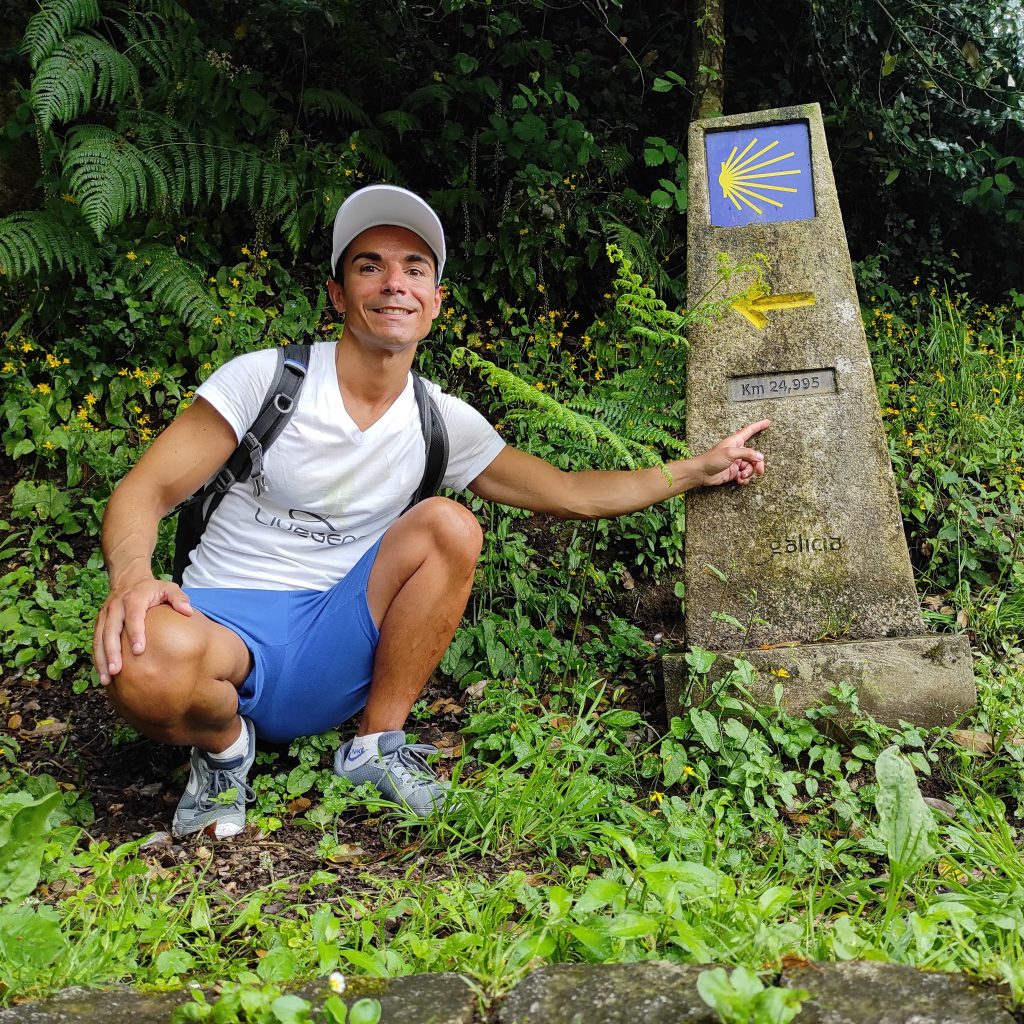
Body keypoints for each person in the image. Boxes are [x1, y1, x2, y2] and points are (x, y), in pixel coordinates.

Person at [93, 184, 769, 839]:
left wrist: (696, 469)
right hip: (222, 627)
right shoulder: (266, 381)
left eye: (415, 268)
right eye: (370, 266)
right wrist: (131, 579)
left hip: (337, 633)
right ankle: (222, 749)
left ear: (436, 301)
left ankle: (375, 748)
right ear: (338, 293)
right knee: (140, 660)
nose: (395, 283)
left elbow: (572, 494)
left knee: (450, 523)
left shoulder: (440, 420)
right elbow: (143, 490)